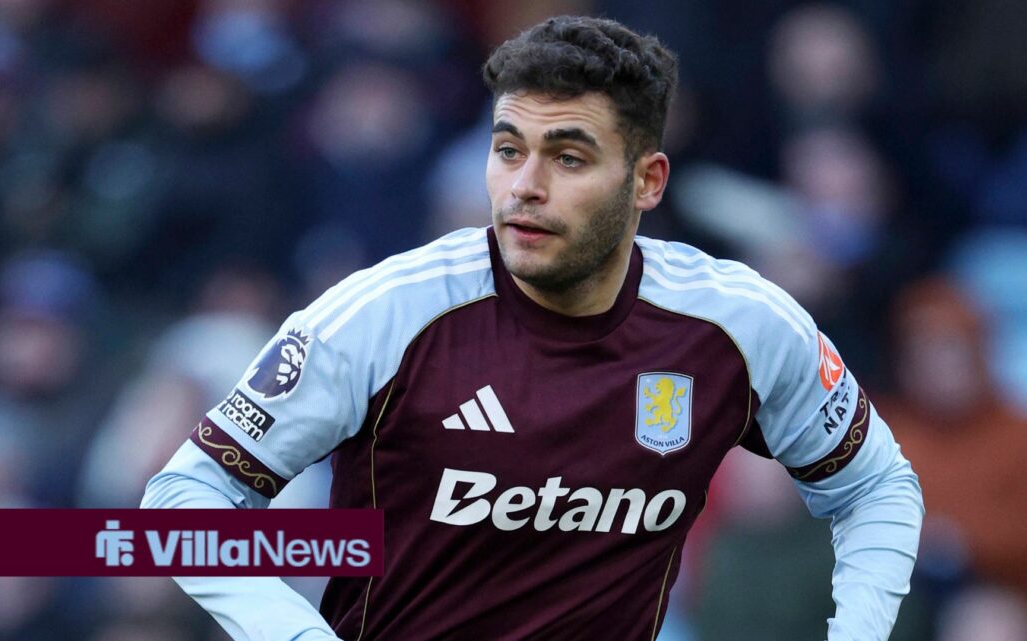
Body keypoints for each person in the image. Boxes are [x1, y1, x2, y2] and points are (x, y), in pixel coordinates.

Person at [142, 15, 923, 641]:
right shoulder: (385, 313)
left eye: (569, 157)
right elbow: (186, 494)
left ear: (647, 180)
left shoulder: (738, 324)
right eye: (508, 149)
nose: (525, 186)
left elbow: (879, 486)